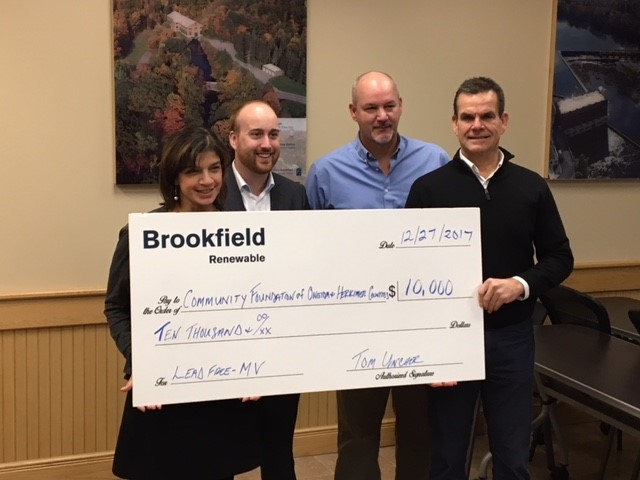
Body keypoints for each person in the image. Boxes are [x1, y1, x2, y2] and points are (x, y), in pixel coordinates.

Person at [405, 76, 574, 480]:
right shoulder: (428, 190)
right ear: (454, 124)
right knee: (448, 456)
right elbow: (409, 274)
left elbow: (560, 257)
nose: (477, 125)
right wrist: (429, 351)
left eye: (487, 116)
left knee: (512, 456)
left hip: (511, 339)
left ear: (504, 121)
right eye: (468, 117)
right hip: (449, 340)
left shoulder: (531, 187)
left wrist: (520, 284)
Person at [305, 71, 449, 480]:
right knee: (357, 435)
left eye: (389, 106)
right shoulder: (326, 173)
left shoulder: (436, 161)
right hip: (357, 328)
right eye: (371, 108)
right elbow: (311, 254)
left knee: (420, 431)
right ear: (354, 112)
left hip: (420, 324)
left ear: (401, 106)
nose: (382, 116)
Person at [105, 126, 261, 480]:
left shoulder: (242, 233)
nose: (207, 180)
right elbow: (116, 308)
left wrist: (257, 367)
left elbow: (253, 309)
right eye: (193, 171)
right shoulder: (143, 233)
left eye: (215, 168)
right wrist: (142, 361)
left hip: (221, 393)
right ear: (175, 177)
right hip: (163, 390)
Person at [225, 100, 309, 480]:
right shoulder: (210, 193)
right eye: (256, 134)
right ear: (233, 139)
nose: (266, 144)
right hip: (223, 349)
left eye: (274, 134)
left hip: (281, 350)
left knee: (278, 454)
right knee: (220, 456)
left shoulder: (295, 196)